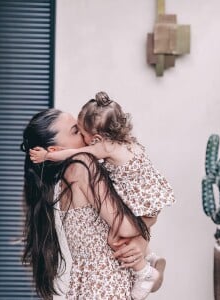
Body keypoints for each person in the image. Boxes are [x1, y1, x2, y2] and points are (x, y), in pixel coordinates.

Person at [30, 92, 176, 300]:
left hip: (98, 286)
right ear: (55, 149)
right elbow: (125, 227)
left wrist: (142, 243)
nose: (86, 136)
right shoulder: (82, 166)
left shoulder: (73, 175)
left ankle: (147, 266)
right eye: (76, 131)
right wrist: (148, 223)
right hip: (105, 288)